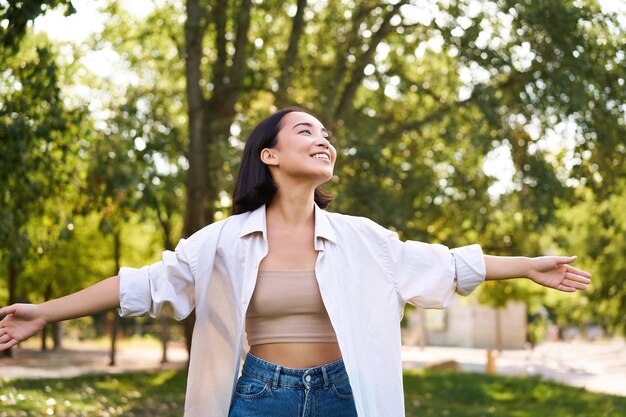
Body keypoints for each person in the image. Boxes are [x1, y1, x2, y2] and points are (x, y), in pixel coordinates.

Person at [0, 108, 591, 417]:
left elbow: (444, 265)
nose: (324, 139)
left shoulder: (364, 239)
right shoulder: (223, 242)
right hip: (261, 396)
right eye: (307, 131)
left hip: (345, 393)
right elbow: (144, 285)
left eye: (328, 134)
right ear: (270, 155)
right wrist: (45, 313)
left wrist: (527, 265)